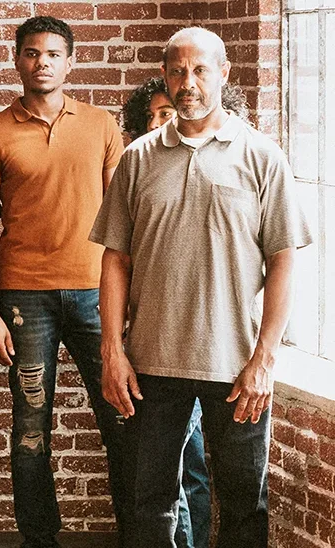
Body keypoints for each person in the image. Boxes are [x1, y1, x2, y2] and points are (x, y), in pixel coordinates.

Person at [94, 27, 311, 548]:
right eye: (176, 71)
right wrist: (112, 351)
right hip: (151, 363)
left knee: (243, 506)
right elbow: (115, 260)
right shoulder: (138, 158)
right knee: (149, 506)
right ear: (164, 76)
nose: (187, 83)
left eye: (199, 70)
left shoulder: (263, 157)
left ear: (223, 73)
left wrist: (264, 360)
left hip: (236, 366)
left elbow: (283, 262)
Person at [0, 16, 133, 547]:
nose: (43, 63)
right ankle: (40, 539)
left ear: (70, 61)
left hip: (95, 295)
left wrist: (129, 301)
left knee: (123, 417)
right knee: (31, 429)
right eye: (33, 54)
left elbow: (124, 222)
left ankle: (140, 533)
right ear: (17, 60)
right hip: (23, 298)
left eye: (54, 54)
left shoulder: (102, 126)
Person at [118, 73, 229, 548]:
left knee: (197, 465)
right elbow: (119, 260)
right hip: (154, 346)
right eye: (158, 117)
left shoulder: (236, 162)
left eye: (172, 113)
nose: (167, 122)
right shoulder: (137, 167)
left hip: (214, 349)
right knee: (157, 478)